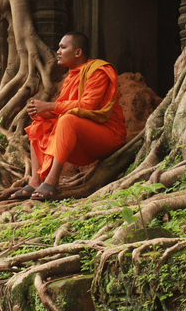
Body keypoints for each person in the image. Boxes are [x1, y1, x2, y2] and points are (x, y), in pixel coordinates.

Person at [10, 31, 127, 200]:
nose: (58, 51)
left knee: (68, 120)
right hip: (83, 140)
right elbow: (65, 109)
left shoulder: (98, 71)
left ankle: (52, 182)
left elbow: (88, 106)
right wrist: (43, 111)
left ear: (78, 52)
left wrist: (51, 106)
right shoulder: (71, 77)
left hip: (108, 136)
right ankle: (35, 181)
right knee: (40, 123)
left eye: (63, 47)